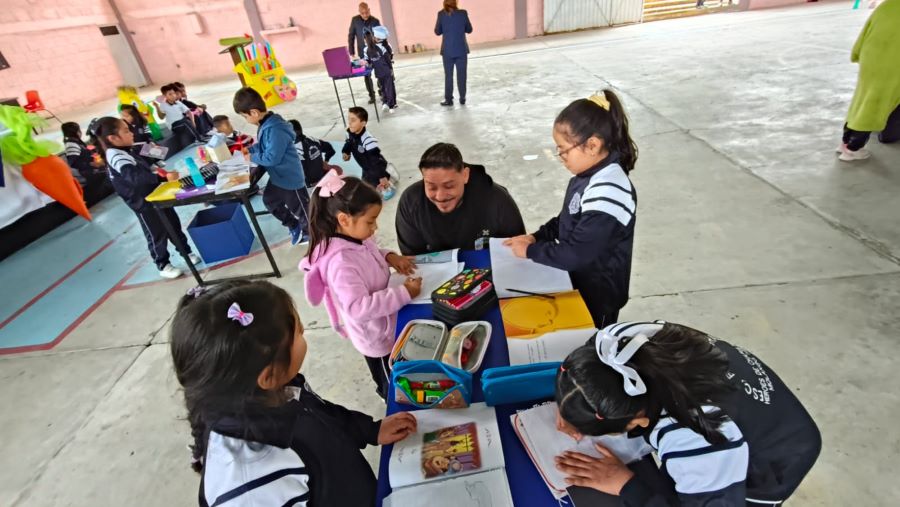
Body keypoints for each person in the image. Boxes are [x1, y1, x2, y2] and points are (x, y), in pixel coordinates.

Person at [169, 280, 418, 506]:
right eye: (299, 332)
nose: (304, 333)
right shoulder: (251, 483)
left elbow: (322, 415)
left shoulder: (280, 390)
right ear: (268, 375)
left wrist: (370, 430)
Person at [554, 321, 821, 506]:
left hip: (778, 451)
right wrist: (571, 405)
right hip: (742, 400)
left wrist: (624, 484)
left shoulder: (696, 435)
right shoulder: (615, 341)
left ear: (637, 421)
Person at [504, 91, 637, 328]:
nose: (560, 157)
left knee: (589, 348)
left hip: (598, 297)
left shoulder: (609, 190)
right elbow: (567, 219)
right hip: (578, 283)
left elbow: (576, 254)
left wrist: (531, 251)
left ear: (592, 145)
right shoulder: (587, 175)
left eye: (563, 149)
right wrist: (536, 236)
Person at [299, 173, 421, 399]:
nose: (375, 228)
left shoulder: (356, 237)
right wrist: (405, 292)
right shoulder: (341, 263)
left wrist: (389, 256)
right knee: (394, 387)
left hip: (388, 323)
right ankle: (388, 402)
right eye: (370, 221)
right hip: (378, 338)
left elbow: (370, 255)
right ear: (344, 219)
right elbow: (358, 308)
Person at [93, 116, 200, 279]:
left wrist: (156, 151)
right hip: (143, 202)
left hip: (156, 195)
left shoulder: (128, 148)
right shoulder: (115, 156)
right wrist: (162, 178)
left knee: (173, 224)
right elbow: (135, 178)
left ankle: (186, 252)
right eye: (127, 131)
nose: (132, 133)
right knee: (156, 233)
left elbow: (157, 154)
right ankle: (163, 264)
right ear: (113, 138)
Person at [396, 142, 525, 255]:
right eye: (431, 187)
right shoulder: (410, 203)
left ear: (465, 175)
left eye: (449, 186)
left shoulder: (497, 199)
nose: (440, 196)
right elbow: (412, 258)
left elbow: (518, 246)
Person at [233, 87, 310, 245]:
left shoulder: (275, 129)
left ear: (254, 112)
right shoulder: (265, 124)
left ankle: (311, 234)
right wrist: (251, 149)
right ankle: (293, 225)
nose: (245, 120)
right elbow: (265, 148)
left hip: (289, 177)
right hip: (278, 177)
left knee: (302, 210)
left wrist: (251, 157)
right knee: (270, 201)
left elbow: (271, 158)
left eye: (244, 116)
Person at [838, 0, 900, 162]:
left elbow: (865, 31)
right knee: (874, 107)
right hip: (893, 65)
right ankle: (853, 148)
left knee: (861, 101)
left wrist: (857, 53)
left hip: (870, 60)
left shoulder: (888, 5)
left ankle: (845, 141)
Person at [342, 106, 396, 199]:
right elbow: (348, 143)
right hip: (365, 168)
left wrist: (381, 177)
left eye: (353, 120)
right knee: (363, 189)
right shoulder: (350, 133)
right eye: (349, 119)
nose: (349, 123)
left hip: (375, 167)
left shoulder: (368, 140)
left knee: (380, 193)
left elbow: (376, 161)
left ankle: (387, 178)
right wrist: (346, 152)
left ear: (363, 123)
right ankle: (384, 177)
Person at [435, 0, 473, 106]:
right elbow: (469, 30)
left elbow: (437, 32)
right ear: (456, 2)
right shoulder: (463, 13)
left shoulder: (441, 14)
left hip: (447, 51)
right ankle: (462, 98)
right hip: (461, 50)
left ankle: (449, 99)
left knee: (448, 76)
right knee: (462, 75)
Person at [289, 119, 340, 188]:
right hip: (322, 179)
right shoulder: (313, 140)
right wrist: (326, 161)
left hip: (310, 186)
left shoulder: (293, 151)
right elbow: (330, 149)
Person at [348, 2, 381, 104]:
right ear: (359, 12)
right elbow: (351, 36)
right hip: (363, 52)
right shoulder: (355, 20)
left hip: (375, 52)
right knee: (367, 75)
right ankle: (372, 96)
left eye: (367, 12)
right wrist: (351, 51)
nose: (365, 15)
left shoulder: (375, 21)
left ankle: (382, 91)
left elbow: (380, 36)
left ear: (369, 10)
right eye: (363, 13)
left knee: (379, 73)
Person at [365, 26, 398, 112]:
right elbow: (369, 60)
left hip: (385, 70)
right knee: (384, 87)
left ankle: (391, 104)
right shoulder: (369, 48)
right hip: (382, 71)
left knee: (388, 87)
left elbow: (389, 58)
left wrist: (390, 67)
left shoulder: (383, 47)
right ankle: (386, 103)